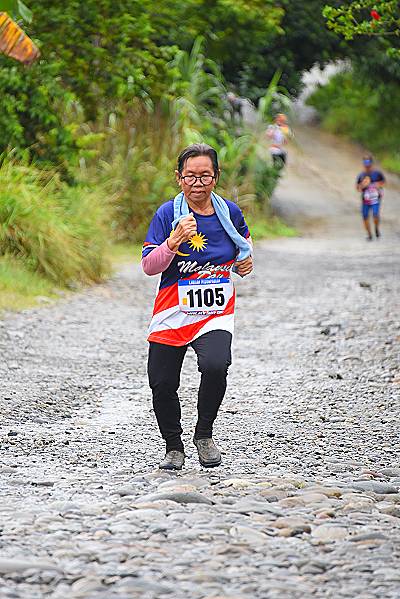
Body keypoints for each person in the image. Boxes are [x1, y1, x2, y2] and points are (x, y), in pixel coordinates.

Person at [141, 143, 253, 470]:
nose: (198, 184)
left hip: (214, 312)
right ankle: (173, 447)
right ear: (179, 178)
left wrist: (244, 263)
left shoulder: (230, 213)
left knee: (216, 365)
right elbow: (149, 266)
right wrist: (174, 240)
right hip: (172, 311)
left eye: (205, 176)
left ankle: (204, 435)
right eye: (190, 176)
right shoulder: (167, 215)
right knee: (162, 382)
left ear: (216, 177)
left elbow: (243, 247)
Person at [356, 154, 386, 240]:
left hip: (375, 199)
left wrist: (377, 185)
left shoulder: (377, 173)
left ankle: (376, 228)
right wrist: (363, 184)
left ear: (371, 162)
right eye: (365, 162)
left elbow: (384, 182)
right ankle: (369, 235)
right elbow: (358, 188)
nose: (366, 163)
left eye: (368, 161)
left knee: (375, 214)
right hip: (365, 200)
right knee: (365, 216)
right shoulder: (361, 175)